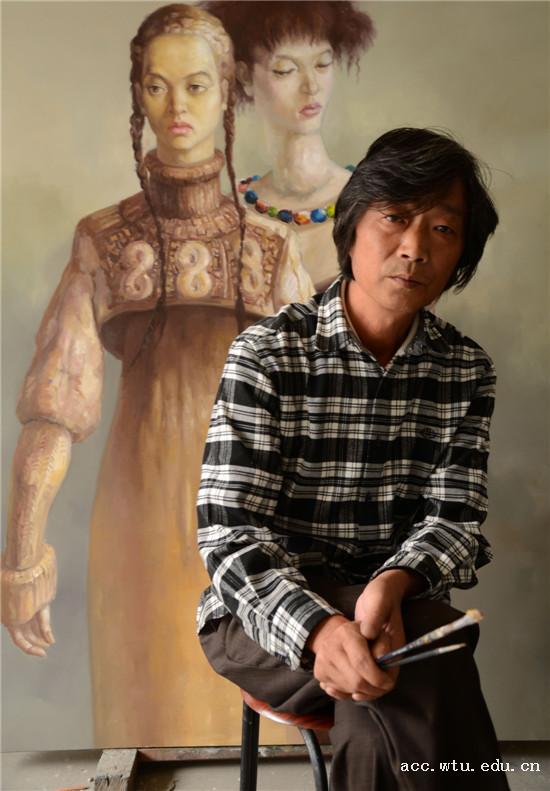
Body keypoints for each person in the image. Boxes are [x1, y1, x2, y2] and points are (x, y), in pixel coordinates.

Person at [1, 4, 313, 747]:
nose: (177, 108)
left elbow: (318, 415)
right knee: (147, 731)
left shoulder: (270, 247)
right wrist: (22, 559)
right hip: (136, 519)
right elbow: (54, 408)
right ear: (137, 93)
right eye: (157, 86)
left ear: (227, 91)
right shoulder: (103, 240)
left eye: (197, 86)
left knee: (268, 740)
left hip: (258, 520)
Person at [197, 127, 511, 789]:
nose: (415, 248)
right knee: (429, 661)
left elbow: (455, 521)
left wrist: (389, 586)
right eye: (395, 218)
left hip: (402, 612)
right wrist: (320, 628)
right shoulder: (268, 354)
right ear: (352, 227)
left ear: (461, 253)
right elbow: (230, 535)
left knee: (385, 696)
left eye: (443, 229)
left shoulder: (464, 369)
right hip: (261, 614)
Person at [203, 0, 375, 290]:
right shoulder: (228, 216)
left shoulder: (375, 203)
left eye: (322, 64)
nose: (311, 86)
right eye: (285, 70)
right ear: (244, 76)